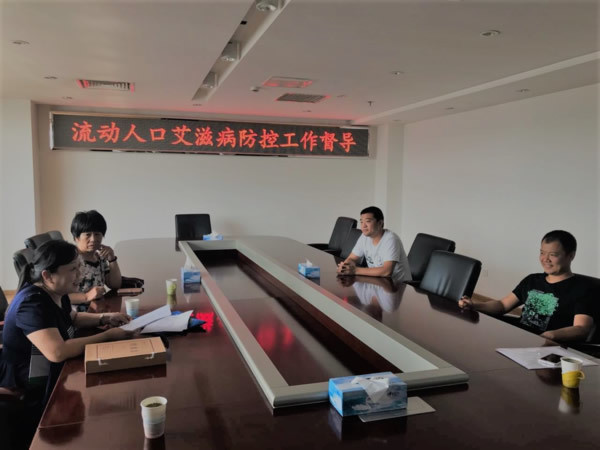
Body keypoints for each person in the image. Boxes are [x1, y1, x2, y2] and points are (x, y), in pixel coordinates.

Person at [0, 240, 135, 447]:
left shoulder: (55, 292)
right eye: (73, 269)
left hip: (52, 369)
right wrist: (107, 336)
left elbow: (73, 318)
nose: (79, 274)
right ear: (47, 275)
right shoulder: (32, 304)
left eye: (79, 267)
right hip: (29, 380)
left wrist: (105, 318)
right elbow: (57, 352)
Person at [459, 230, 596, 343]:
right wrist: (474, 305)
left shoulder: (583, 289)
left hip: (549, 348)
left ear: (571, 255)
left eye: (553, 255)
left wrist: (551, 335)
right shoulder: (532, 280)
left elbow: (581, 328)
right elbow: (502, 305)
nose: (545, 259)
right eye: (542, 253)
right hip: (519, 340)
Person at [337, 206, 411, 281]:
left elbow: (386, 271)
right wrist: (344, 267)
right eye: (361, 222)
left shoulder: (391, 239)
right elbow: (351, 258)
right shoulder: (364, 237)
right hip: (378, 281)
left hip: (398, 285)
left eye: (368, 221)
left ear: (380, 223)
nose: (363, 226)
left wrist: (354, 270)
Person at [69, 210, 122, 304]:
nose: (93, 239)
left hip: (100, 307)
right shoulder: (70, 260)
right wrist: (86, 296)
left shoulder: (99, 257)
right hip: (77, 312)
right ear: (76, 237)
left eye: (97, 234)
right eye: (88, 234)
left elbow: (115, 285)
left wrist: (112, 259)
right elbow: (59, 296)